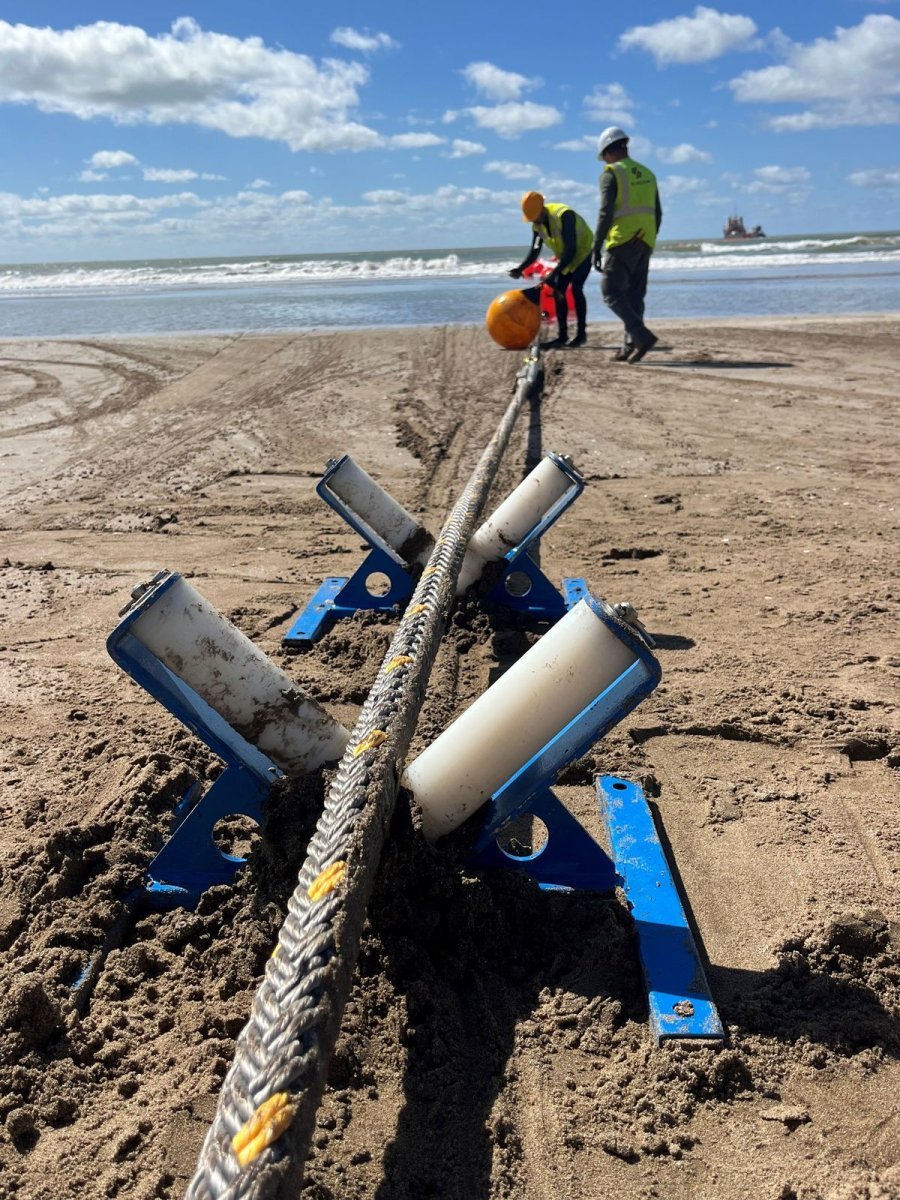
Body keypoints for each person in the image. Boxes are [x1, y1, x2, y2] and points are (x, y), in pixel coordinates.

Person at [593, 127, 663, 363]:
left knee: (611, 292)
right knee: (634, 295)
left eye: (603, 156)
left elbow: (605, 213)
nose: (604, 160)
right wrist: (650, 238)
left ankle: (641, 336)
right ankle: (629, 346)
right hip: (646, 240)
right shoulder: (648, 173)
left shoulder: (611, 174)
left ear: (608, 152)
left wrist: (596, 246)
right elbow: (658, 212)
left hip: (622, 239)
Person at [509, 192, 593, 348]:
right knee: (558, 291)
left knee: (576, 288)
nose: (534, 221)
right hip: (566, 257)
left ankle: (581, 335)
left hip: (582, 252)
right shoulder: (537, 225)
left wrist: (553, 274)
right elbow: (535, 251)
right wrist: (520, 268)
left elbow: (571, 249)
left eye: (535, 217)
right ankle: (562, 336)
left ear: (541, 209)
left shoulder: (564, 215)